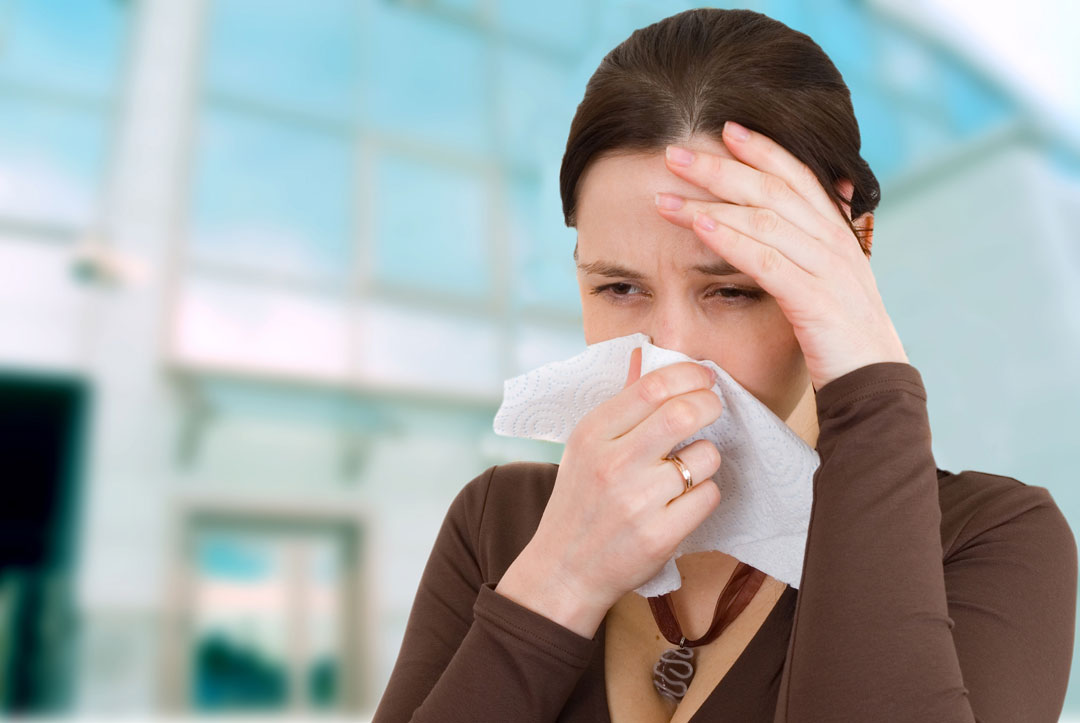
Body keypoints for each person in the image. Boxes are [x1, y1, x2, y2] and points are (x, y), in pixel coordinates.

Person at [372, 8, 1077, 722]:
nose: (670, 352)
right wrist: (559, 582)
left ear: (848, 253)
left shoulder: (988, 539)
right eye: (619, 288)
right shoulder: (501, 526)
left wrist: (872, 383)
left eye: (733, 290)